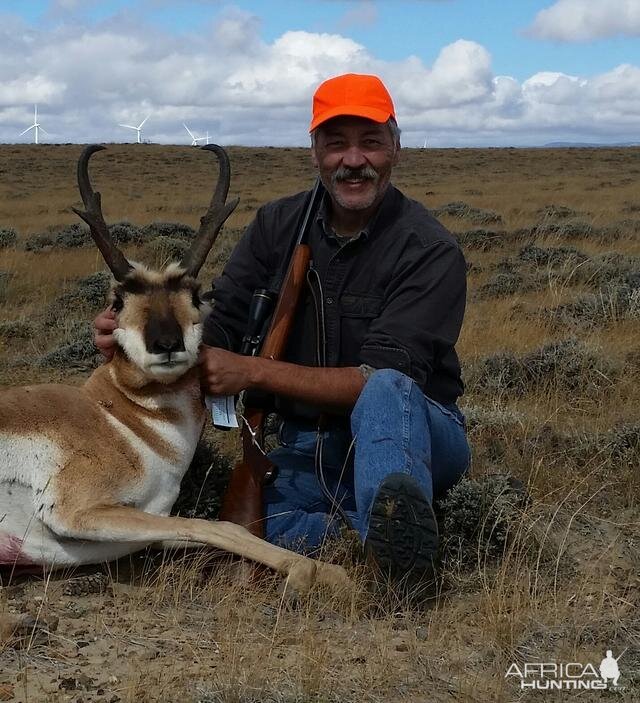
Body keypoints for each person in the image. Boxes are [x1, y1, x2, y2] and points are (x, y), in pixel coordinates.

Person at [95, 73, 470, 586]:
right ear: (314, 152)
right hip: (307, 446)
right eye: (336, 144)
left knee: (385, 387)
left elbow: (375, 378)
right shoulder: (277, 225)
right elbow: (219, 326)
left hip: (413, 433)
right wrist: (137, 339)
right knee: (254, 533)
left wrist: (253, 372)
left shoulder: (428, 249)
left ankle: (395, 564)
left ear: (395, 150)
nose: (353, 160)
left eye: (371, 143)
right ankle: (384, 529)